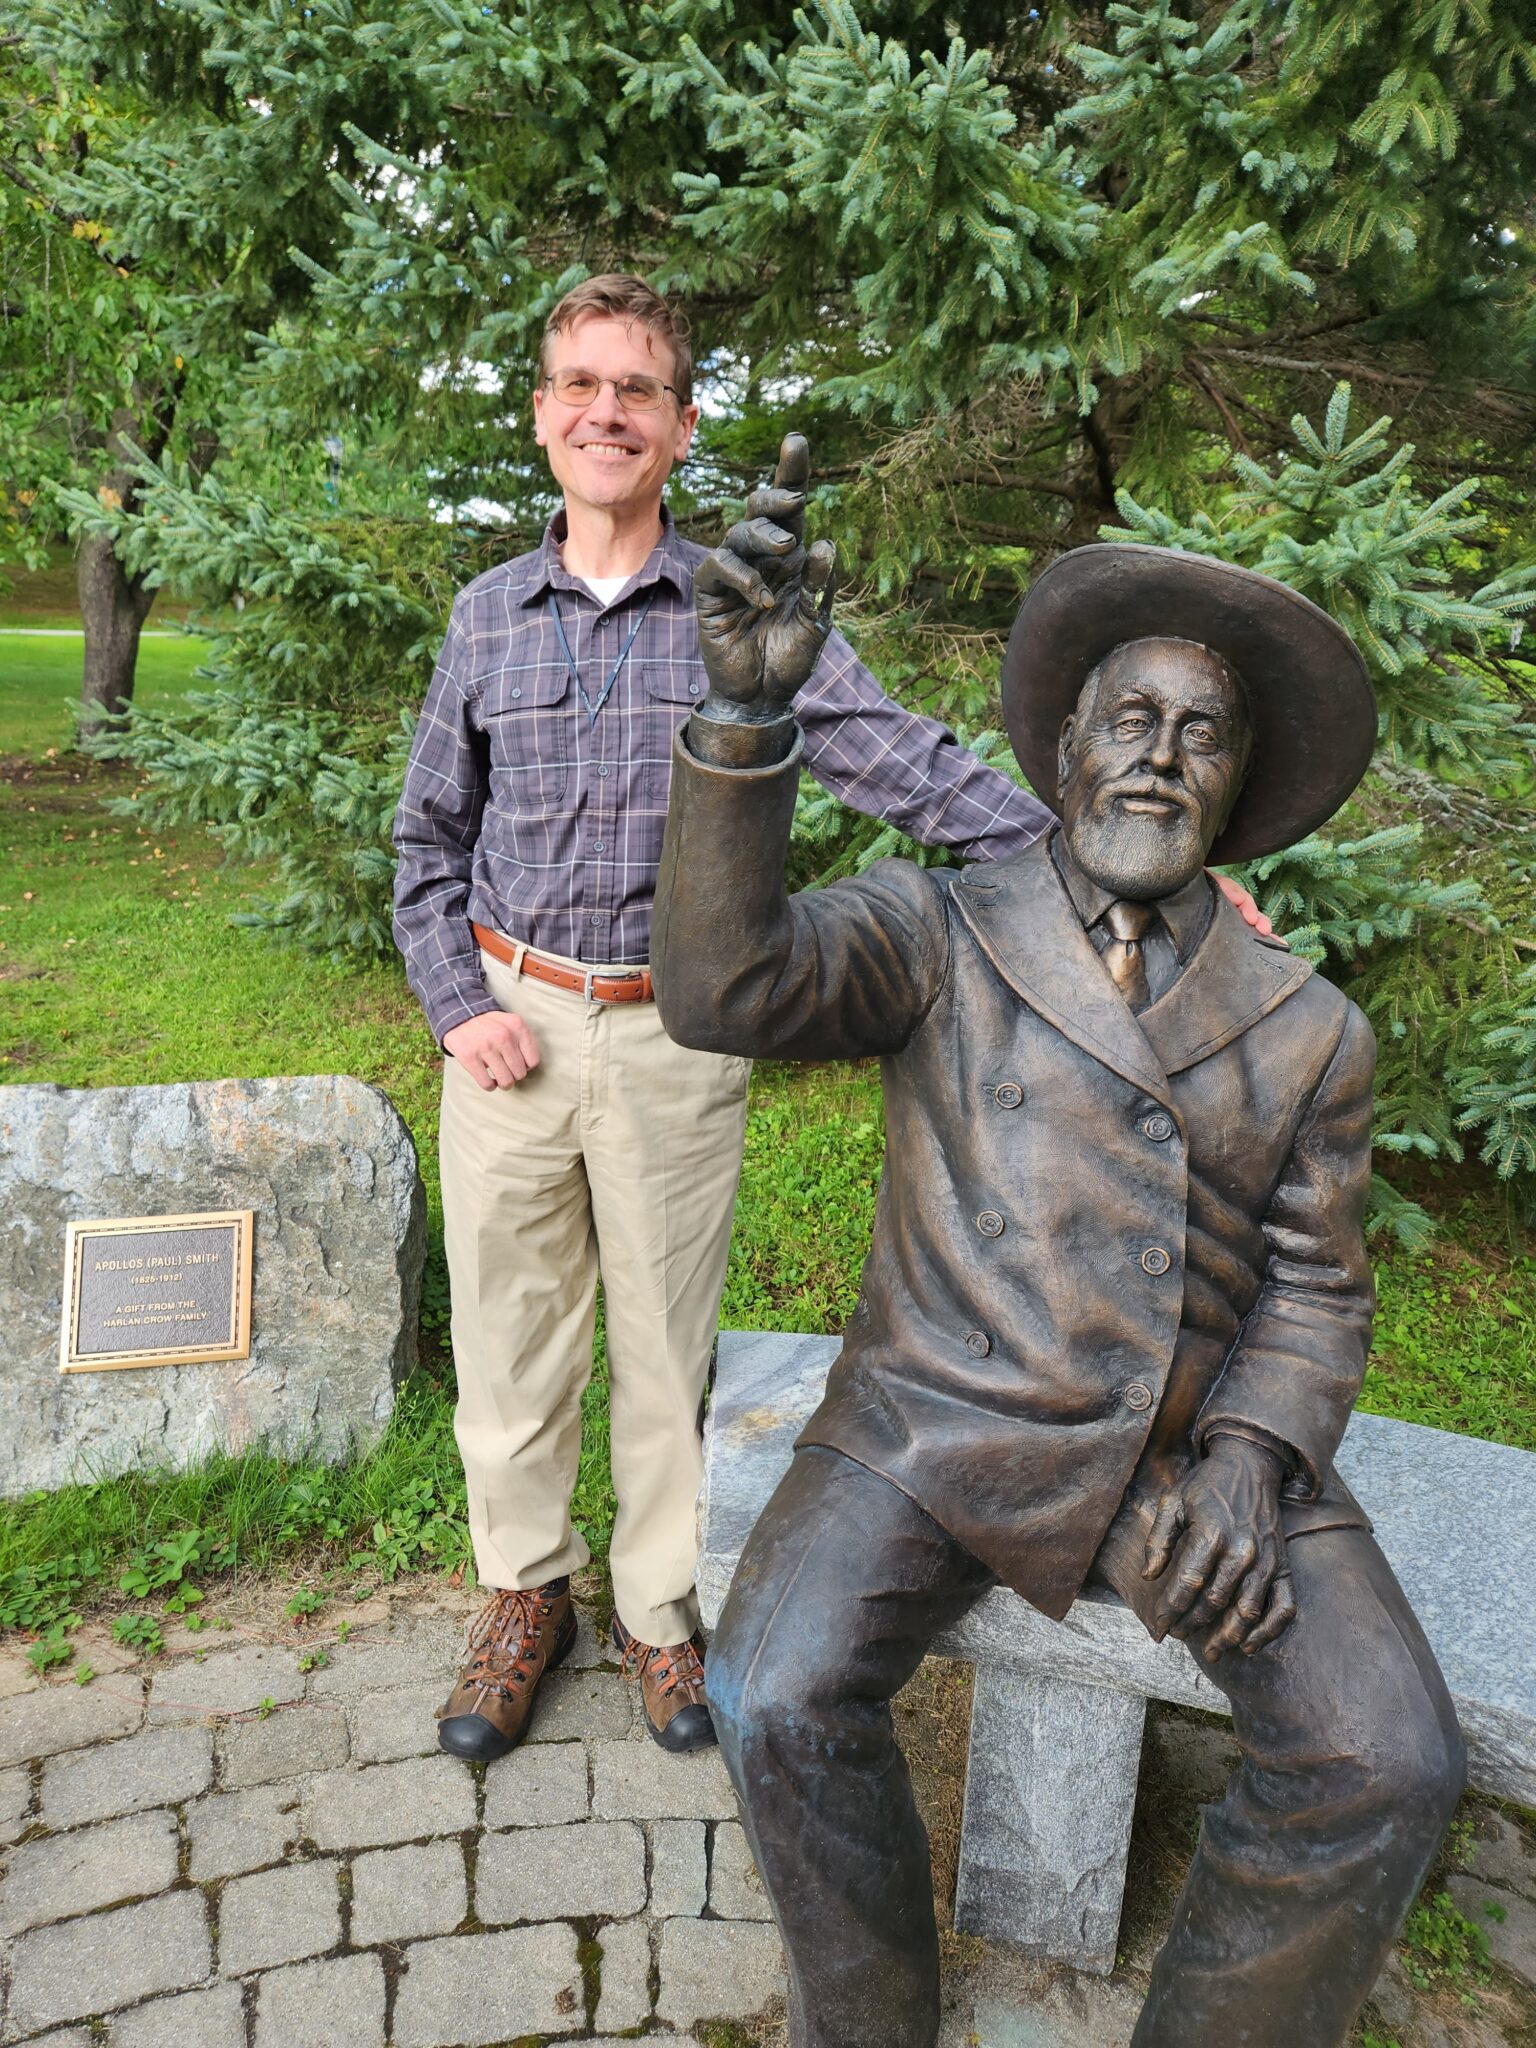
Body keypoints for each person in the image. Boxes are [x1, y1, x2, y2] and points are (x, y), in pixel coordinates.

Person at [392, 274, 1271, 1763]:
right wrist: (458, 1007)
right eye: (582, 385)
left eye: (640, 391)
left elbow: (908, 766)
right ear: (545, 415)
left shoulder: (745, 609)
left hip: (679, 1038)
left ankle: (661, 1616)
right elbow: (426, 847)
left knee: (668, 1352)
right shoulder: (487, 622)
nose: (607, 412)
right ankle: (520, 1596)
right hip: (516, 1038)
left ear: (678, 428)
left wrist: (1125, 860)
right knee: (511, 1345)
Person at [650, 532, 1464, 2048]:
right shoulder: (937, 929)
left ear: (1238, 783)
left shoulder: (1310, 1026)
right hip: (935, 1415)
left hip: (1190, 1445)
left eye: (1202, 733)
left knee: (1390, 1758)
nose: (1161, 761)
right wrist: (752, 727)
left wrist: (1251, 1460)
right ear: (1069, 749)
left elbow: (1316, 1290)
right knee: (771, 1687)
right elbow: (722, 989)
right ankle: (871, 2024)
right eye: (1130, 723)